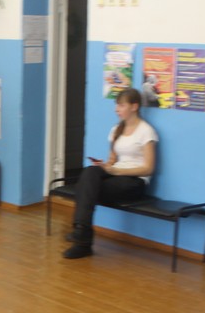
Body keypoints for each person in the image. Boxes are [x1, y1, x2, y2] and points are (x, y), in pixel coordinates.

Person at [63, 87, 157, 260]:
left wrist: (117, 170)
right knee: (90, 172)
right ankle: (82, 235)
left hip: (135, 181)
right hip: (116, 174)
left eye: (121, 105)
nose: (116, 109)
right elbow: (112, 161)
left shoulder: (146, 131)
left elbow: (149, 168)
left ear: (134, 106)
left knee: (85, 189)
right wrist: (104, 166)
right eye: (116, 105)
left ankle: (82, 237)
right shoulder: (116, 130)